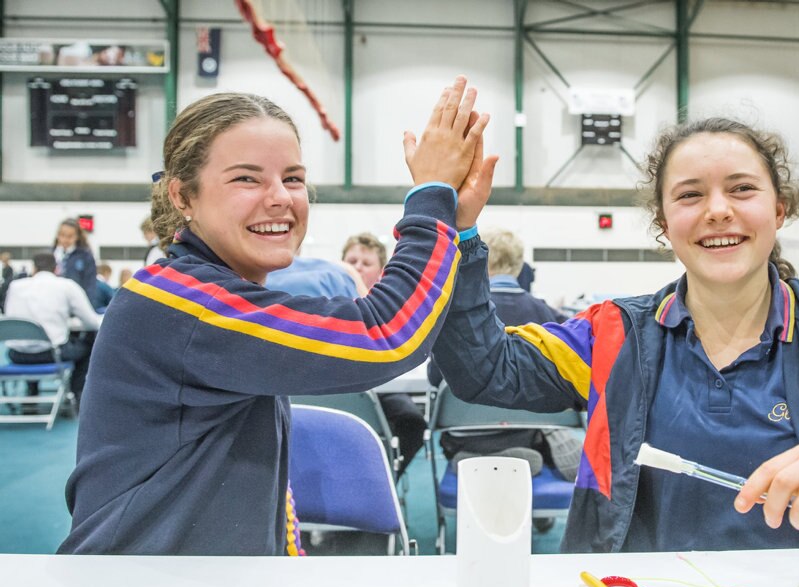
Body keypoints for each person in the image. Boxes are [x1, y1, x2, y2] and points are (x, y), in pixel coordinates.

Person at [431, 117, 799, 570]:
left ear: (779, 209)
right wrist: (456, 233)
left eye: (742, 189)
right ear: (665, 222)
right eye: (690, 195)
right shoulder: (612, 334)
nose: (718, 209)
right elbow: (483, 368)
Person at [59, 77, 491, 555]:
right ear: (183, 197)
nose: (281, 197)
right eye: (246, 178)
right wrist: (432, 198)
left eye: (293, 178)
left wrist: (457, 224)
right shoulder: (181, 305)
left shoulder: (212, 294)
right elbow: (387, 334)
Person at [428, 229, 578, 481]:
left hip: (463, 431)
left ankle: (471, 454)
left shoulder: (453, 314)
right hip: (525, 428)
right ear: (520, 267)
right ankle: (541, 446)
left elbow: (435, 377)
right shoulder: (546, 314)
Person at [342, 232, 427, 479]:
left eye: (365, 263)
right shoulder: (327, 300)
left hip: (384, 388)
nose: (357, 267)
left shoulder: (389, 307)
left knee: (413, 423)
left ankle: (387, 479)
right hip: (338, 390)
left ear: (380, 272)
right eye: (352, 261)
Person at [4, 252, 100, 404]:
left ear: (33, 268)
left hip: (17, 354)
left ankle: (32, 394)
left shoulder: (15, 287)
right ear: (57, 269)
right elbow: (91, 322)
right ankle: (75, 394)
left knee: (32, 342)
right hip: (51, 354)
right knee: (89, 345)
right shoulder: (67, 286)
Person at [53, 218, 100, 310]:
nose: (65, 239)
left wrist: (87, 307)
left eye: (70, 236)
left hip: (77, 305)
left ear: (77, 236)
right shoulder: (52, 255)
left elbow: (90, 285)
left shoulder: (85, 256)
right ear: (58, 235)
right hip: (56, 304)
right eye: (62, 235)